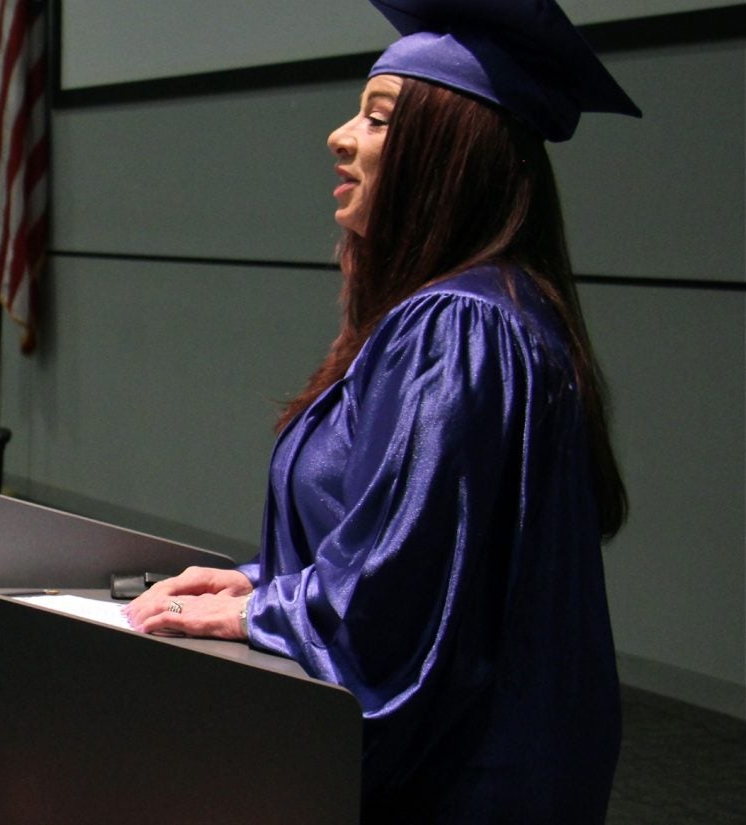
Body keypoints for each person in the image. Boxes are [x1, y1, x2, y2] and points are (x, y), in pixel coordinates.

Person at [122, 1, 639, 820]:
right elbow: (435, 559)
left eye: (377, 116)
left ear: (450, 152)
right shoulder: (500, 311)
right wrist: (267, 580)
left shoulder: (457, 328)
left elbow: (394, 616)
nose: (339, 136)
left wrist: (262, 611)